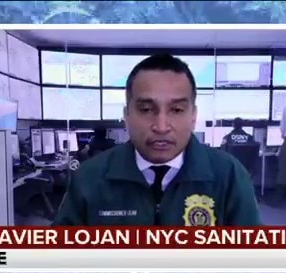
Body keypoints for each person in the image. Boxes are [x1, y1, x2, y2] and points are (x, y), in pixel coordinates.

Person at [53, 53, 261, 226]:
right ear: (127, 115)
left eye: (177, 110)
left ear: (193, 116)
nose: (161, 127)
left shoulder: (229, 175)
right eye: (146, 109)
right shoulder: (90, 177)